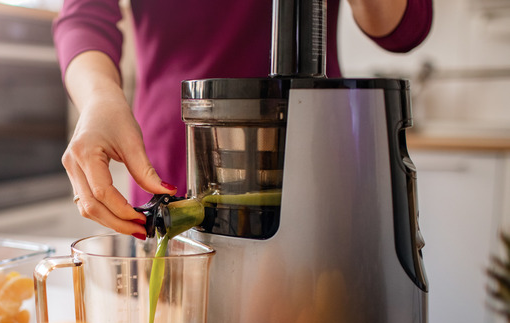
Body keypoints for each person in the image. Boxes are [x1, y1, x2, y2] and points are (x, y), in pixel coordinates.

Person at [53, 0, 433, 239]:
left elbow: (402, 28)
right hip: (177, 165)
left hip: (312, 160)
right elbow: (83, 15)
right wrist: (98, 100)